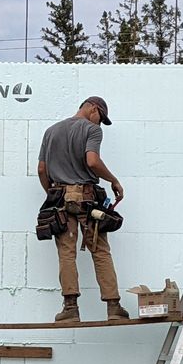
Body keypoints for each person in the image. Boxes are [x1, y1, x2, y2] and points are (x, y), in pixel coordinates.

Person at [37, 96, 128, 322]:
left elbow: (41, 170)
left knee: (66, 253)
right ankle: (113, 308)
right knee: (100, 250)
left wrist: (53, 194)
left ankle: (70, 309)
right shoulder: (92, 130)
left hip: (61, 200)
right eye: (101, 118)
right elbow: (92, 161)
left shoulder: (51, 132)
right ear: (93, 109)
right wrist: (113, 180)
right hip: (87, 200)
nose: (99, 123)